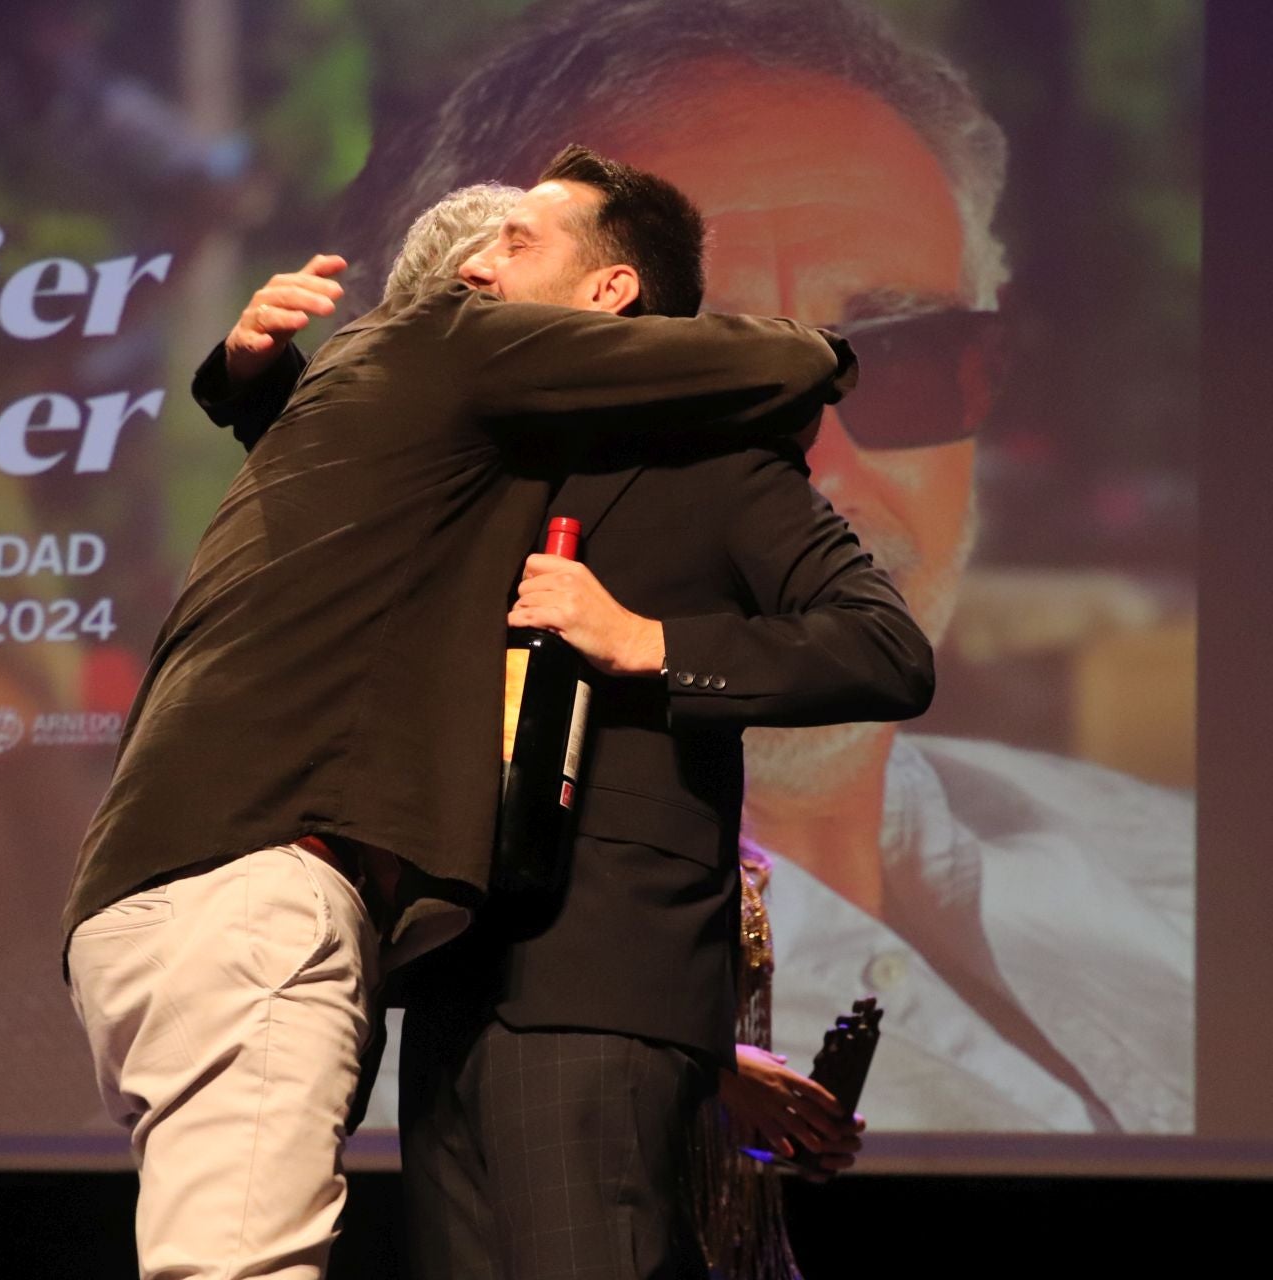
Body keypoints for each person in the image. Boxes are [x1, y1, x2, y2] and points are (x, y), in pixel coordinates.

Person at [339, 0, 1193, 1136]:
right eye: (686, 375)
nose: (813, 462)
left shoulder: (1168, 860)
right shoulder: (384, 1042)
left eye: (899, 357)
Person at [61, 155, 854, 1278]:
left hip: (195, 896)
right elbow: (764, 359)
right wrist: (834, 348)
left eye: (516, 244)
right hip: (252, 893)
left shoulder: (402, 452)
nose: (478, 270)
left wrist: (247, 376)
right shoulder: (451, 339)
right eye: (476, 260)